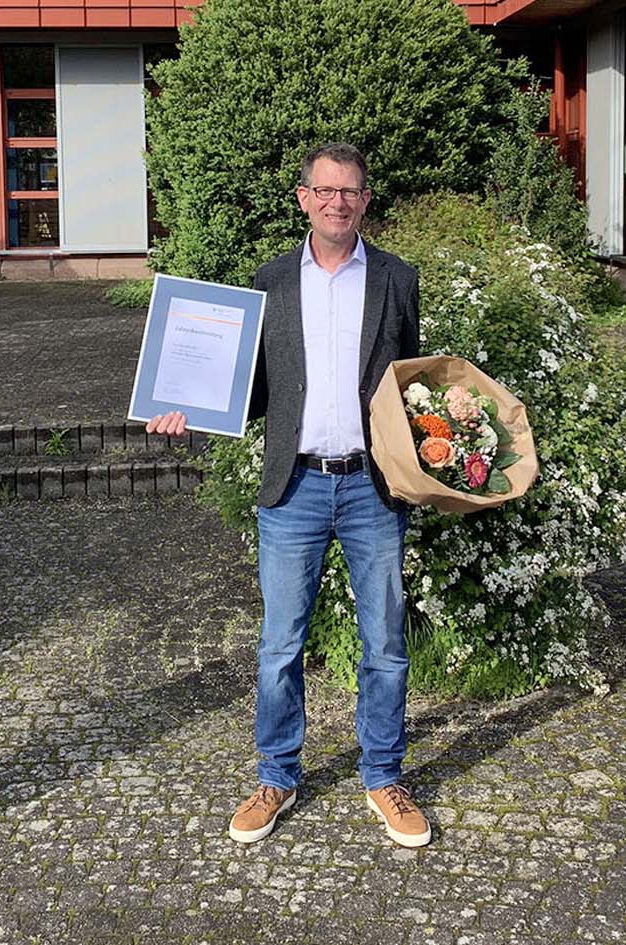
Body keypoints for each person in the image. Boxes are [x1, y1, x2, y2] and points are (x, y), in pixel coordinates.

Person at [146, 142, 430, 847]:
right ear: (303, 198)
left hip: (371, 487)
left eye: (350, 191)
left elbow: (409, 383)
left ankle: (383, 776)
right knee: (279, 646)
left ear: (365, 200)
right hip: (293, 485)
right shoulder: (269, 281)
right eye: (324, 190)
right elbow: (252, 390)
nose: (337, 202)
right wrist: (189, 408)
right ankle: (276, 774)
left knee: (386, 644)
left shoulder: (397, 278)